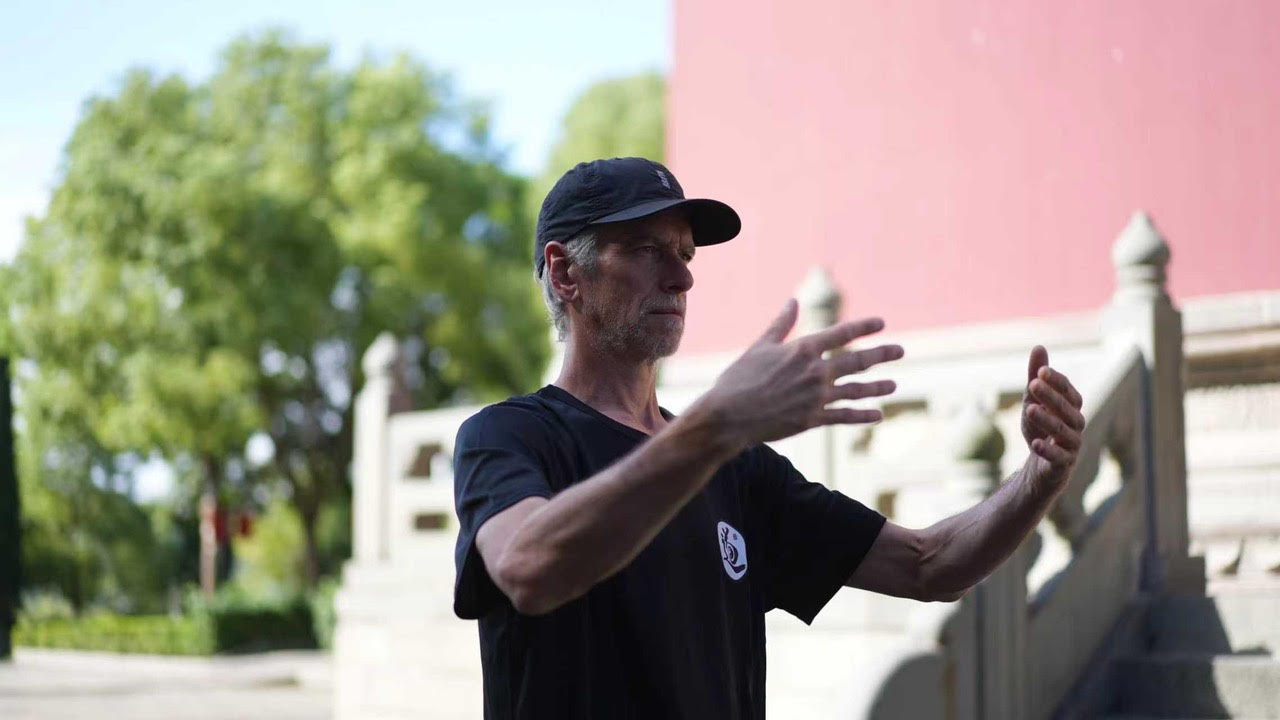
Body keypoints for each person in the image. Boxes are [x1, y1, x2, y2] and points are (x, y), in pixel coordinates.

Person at [452, 157, 1085, 719]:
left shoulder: (736, 466)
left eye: (685, 255)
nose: (682, 279)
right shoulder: (511, 436)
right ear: (566, 273)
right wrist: (715, 427)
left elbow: (931, 565)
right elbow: (528, 568)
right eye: (646, 250)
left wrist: (1040, 477)